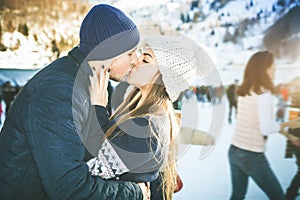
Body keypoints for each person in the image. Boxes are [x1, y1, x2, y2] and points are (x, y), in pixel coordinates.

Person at [0, 4, 144, 200]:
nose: (136, 60)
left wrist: (98, 111)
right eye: (130, 53)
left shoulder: (92, 84)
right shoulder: (58, 93)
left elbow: (89, 156)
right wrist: (135, 193)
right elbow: (69, 188)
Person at [87, 35, 216, 200]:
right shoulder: (136, 110)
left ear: (163, 78)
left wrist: (97, 108)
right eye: (140, 55)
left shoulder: (147, 126)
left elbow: (91, 169)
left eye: (145, 60)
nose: (135, 61)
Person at [228, 51, 298, 200]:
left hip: (234, 151)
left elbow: (256, 122)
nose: (275, 72)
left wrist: (288, 133)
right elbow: (266, 127)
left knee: (237, 196)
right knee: (278, 197)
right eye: (273, 68)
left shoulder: (244, 90)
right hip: (251, 155)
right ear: (265, 69)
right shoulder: (264, 94)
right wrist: (286, 127)